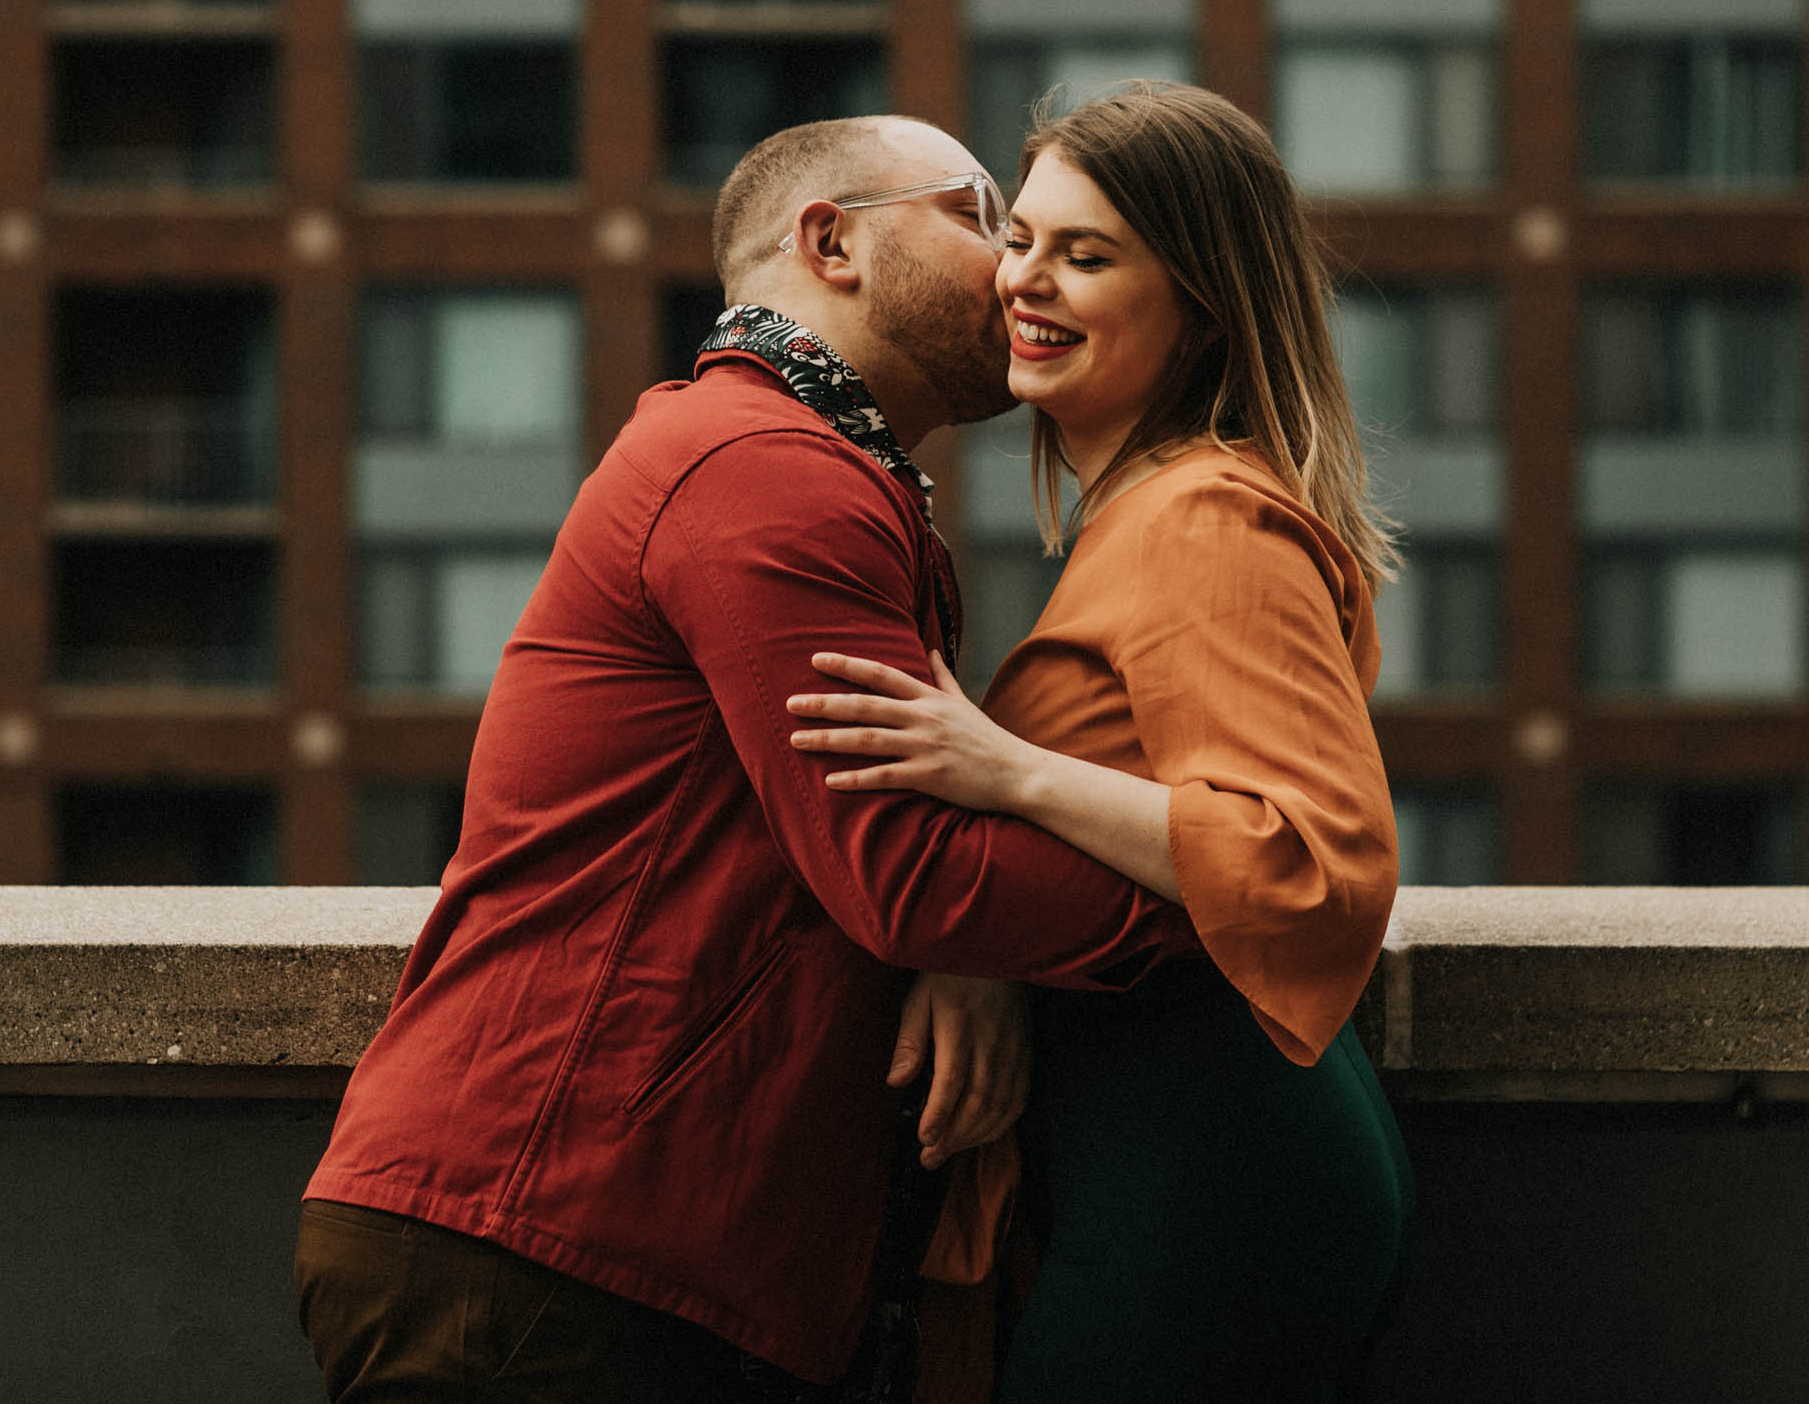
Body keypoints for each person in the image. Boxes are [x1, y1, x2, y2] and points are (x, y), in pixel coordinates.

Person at [297, 114, 1197, 1403]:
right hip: (549, 1255)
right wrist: (1234, 884)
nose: (1012, 263)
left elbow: (883, 859)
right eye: (977, 214)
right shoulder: (767, 471)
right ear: (832, 240)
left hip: (602, 1245)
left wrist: (977, 955)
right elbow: (911, 876)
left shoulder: (791, 463)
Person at [788, 84, 1414, 1404]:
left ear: (1202, 306)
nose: (1026, 282)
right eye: (1020, 239)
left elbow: (1304, 859)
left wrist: (1001, 767)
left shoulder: (1203, 519)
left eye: (1087, 256)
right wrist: (987, 958)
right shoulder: (1147, 511)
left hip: (1213, 1163)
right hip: (1174, 1150)